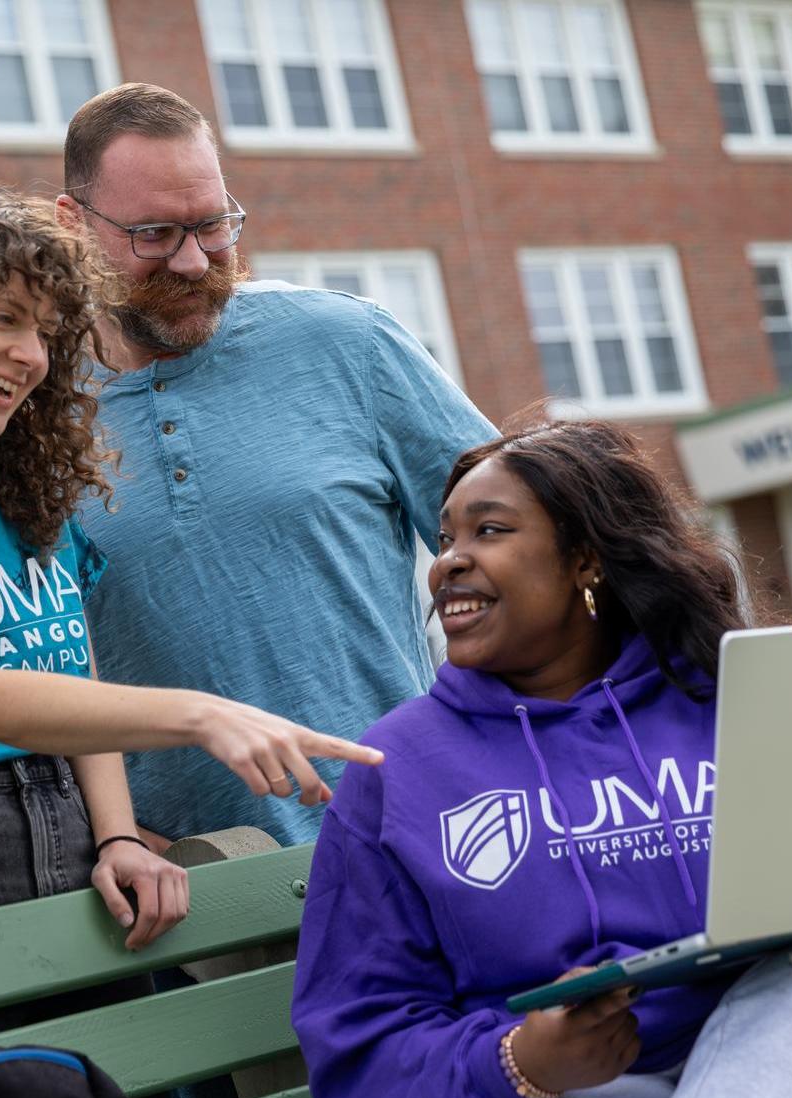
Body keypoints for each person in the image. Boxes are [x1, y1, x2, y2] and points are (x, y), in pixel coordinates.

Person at [291, 420, 792, 1098]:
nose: (448, 560)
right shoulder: (399, 770)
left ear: (585, 559)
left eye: (490, 530)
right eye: (445, 538)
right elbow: (359, 1043)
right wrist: (521, 1059)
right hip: (576, 1097)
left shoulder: (738, 696)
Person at [0, 174, 380, 966]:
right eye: (5, 318)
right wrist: (200, 715)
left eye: (48, 332)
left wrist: (117, 835)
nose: (31, 356)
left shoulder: (27, 502)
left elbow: (73, 682)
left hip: (79, 855)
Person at [54, 83, 498, 850]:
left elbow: (521, 555)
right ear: (73, 226)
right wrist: (116, 834)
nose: (194, 262)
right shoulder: (26, 412)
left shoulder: (347, 342)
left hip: (415, 840)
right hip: (194, 906)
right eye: (155, 233)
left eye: (214, 224)